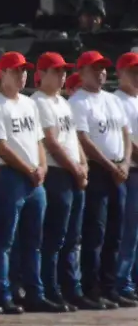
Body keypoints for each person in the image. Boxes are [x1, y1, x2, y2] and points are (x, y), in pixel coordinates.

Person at [0, 52, 52, 314]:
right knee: (3, 239)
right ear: (3, 74)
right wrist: (30, 169)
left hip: (33, 178)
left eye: (24, 71)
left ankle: (33, 291)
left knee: (33, 240)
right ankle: (0, 293)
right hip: (10, 177)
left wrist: (41, 167)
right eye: (16, 71)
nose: (22, 76)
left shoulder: (29, 104)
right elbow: (1, 146)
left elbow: (39, 141)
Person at [69, 50, 135, 307]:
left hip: (119, 171)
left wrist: (125, 162)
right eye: (94, 69)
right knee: (95, 232)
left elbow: (125, 133)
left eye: (103, 68)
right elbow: (84, 140)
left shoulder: (111, 100)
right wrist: (111, 166)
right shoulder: (79, 101)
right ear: (82, 72)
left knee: (115, 233)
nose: (100, 73)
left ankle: (110, 287)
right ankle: (92, 288)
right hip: (98, 171)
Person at [30, 52, 92, 310]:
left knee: (73, 236)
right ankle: (51, 287)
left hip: (74, 171)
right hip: (58, 172)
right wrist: (74, 167)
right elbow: (51, 142)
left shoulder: (62, 102)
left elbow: (73, 138)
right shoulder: (39, 102)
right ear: (42, 74)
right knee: (54, 236)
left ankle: (71, 287)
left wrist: (84, 165)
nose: (62, 75)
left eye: (64, 71)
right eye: (56, 71)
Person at [114, 52, 138, 301]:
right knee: (128, 231)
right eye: (132, 71)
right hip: (131, 171)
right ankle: (123, 282)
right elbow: (126, 138)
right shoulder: (117, 101)